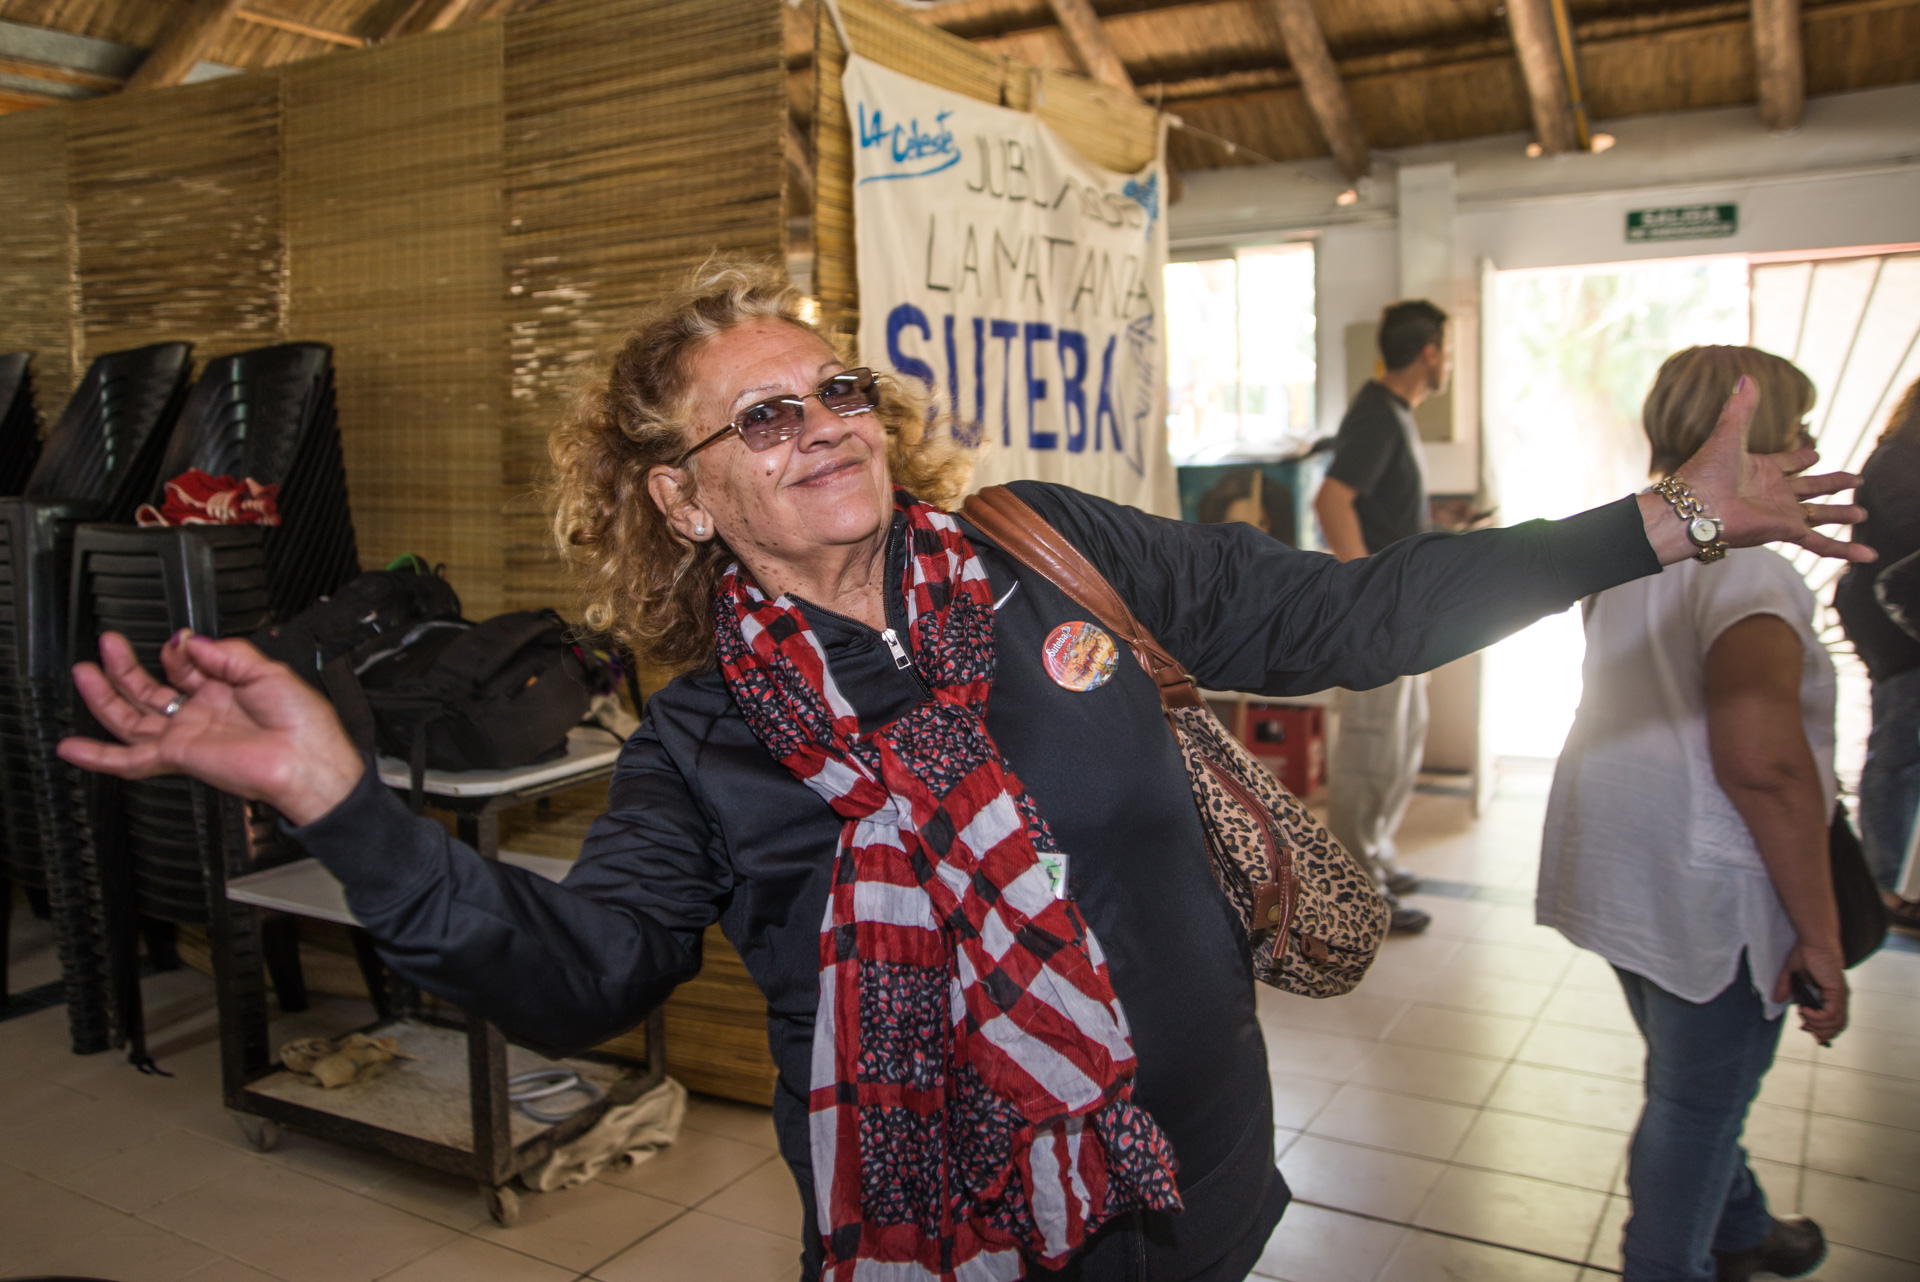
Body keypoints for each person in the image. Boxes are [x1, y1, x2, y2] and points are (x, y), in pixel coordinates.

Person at [59, 263, 1867, 1282]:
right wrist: (348, 808)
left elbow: (1359, 610)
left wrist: (1665, 520)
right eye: (764, 416)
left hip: (1200, 1178)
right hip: (953, 1241)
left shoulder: (1043, 554)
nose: (824, 425)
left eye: (836, 388)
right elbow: (584, 972)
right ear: (681, 496)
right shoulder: (708, 738)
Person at [1539, 346, 1850, 1282]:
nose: (1809, 446)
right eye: (1797, 429)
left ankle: (1742, 1227)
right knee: (1696, 1107)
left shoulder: (1633, 554)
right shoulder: (1750, 576)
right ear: (1751, 438)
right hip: (1711, 890)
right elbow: (1766, 766)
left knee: (1690, 1080)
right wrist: (1820, 935)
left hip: (1626, 866)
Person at [1313, 299, 1450, 933]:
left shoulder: (1394, 414)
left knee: (1401, 738)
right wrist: (1365, 589)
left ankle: (1377, 852)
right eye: (1447, 351)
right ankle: (1354, 886)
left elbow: (1380, 510)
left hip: (1406, 609)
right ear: (1429, 353)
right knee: (1371, 747)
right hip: (1380, 614)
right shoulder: (1375, 414)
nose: (1447, 363)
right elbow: (1331, 501)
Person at [1835, 376, 1920, 930]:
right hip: (1892, 619)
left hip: (1897, 610)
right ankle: (1882, 884)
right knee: (1898, 748)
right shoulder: (1896, 460)